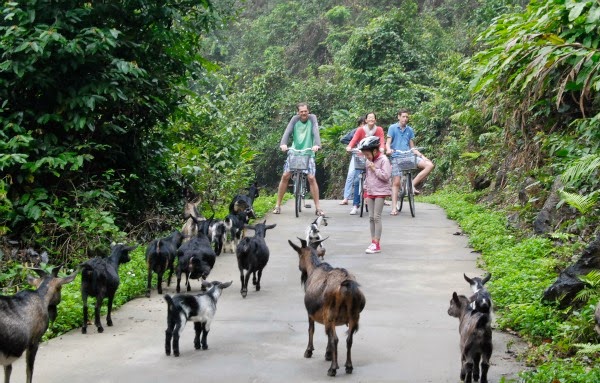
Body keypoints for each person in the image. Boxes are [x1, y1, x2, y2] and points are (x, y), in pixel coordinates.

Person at [272, 102, 325, 216]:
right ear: (298, 112)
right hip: (295, 152)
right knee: (285, 175)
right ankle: (278, 205)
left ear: (308, 111)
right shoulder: (295, 119)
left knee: (311, 178)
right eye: (301, 111)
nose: (304, 113)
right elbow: (287, 132)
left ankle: (318, 207)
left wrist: (317, 145)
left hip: (308, 152)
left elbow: (316, 131)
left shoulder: (312, 118)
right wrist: (283, 144)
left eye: (305, 111)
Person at [386, 109, 434, 215]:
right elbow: (388, 143)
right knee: (396, 182)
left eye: (407, 117)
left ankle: (411, 185)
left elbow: (413, 148)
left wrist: (423, 157)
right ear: (399, 117)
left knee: (429, 165)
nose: (405, 119)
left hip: (409, 156)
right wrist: (388, 150)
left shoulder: (410, 130)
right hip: (396, 156)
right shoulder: (392, 128)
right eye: (403, 116)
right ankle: (394, 207)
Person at [345, 112, 386, 215]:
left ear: (375, 120)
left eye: (373, 118)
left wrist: (382, 148)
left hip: (374, 158)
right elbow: (354, 140)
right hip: (361, 157)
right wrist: (349, 147)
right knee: (356, 179)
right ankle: (355, 205)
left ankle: (374, 201)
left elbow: (382, 140)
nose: (371, 119)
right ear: (366, 120)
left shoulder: (379, 129)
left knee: (375, 179)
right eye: (369, 118)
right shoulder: (360, 130)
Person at [357, 135, 391, 253]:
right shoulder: (368, 161)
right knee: (371, 217)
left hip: (380, 191)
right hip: (370, 191)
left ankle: (377, 243)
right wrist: (365, 192)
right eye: (365, 155)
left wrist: (374, 169)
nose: (366, 157)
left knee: (377, 217)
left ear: (375, 150)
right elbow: (367, 177)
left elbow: (386, 176)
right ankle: (372, 241)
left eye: (367, 154)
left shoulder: (384, 160)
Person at [339, 116, 366, 206]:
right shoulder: (355, 131)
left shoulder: (370, 132)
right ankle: (346, 197)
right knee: (351, 175)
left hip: (368, 156)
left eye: (364, 124)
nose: (363, 126)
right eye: (361, 124)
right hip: (357, 156)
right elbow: (343, 139)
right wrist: (352, 146)